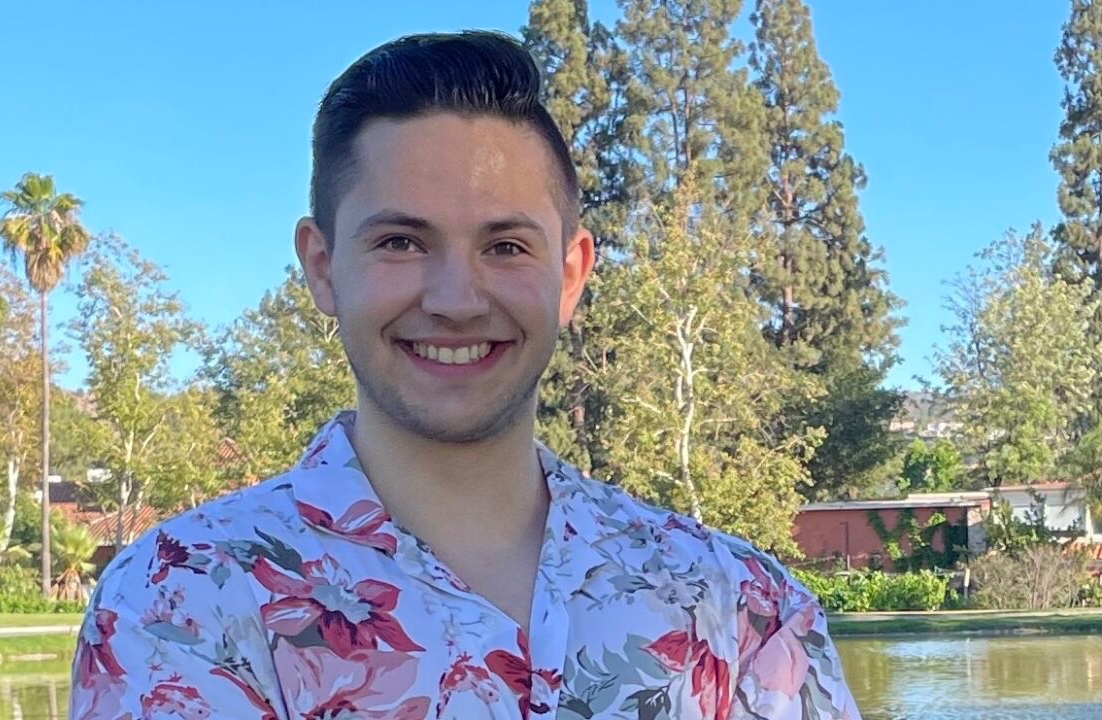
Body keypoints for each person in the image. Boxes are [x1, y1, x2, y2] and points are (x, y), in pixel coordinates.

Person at [69, 31, 861, 720]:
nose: (455, 300)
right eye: (401, 243)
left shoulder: (741, 608)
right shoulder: (183, 601)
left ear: (570, 275)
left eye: (505, 246)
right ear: (322, 266)